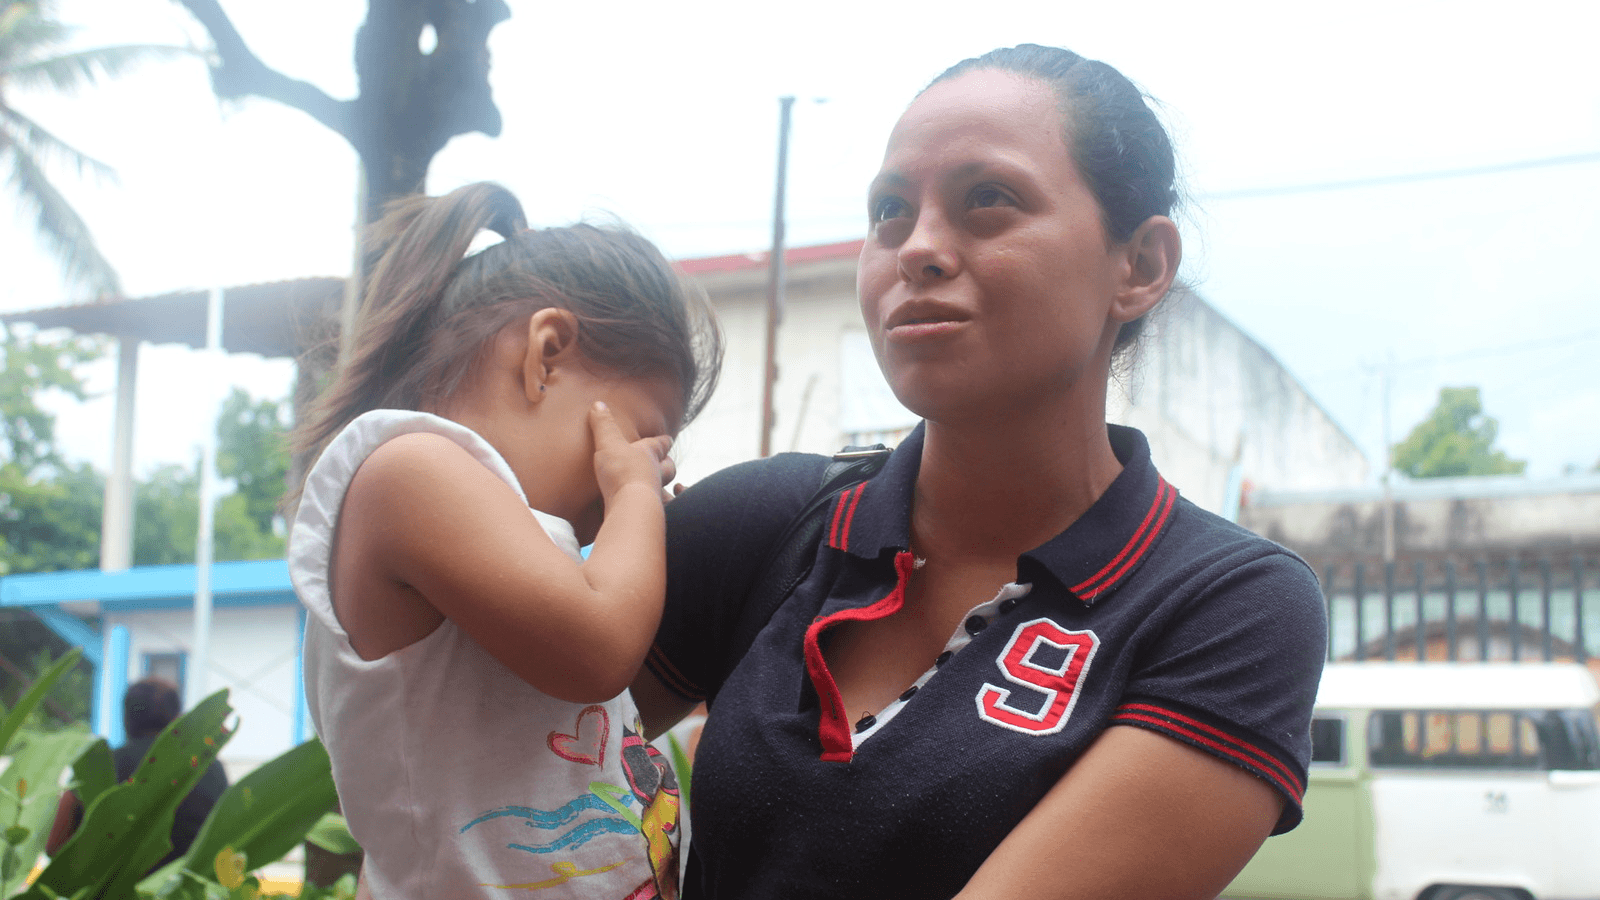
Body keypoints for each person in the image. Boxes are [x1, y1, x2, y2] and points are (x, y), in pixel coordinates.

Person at [631, 45, 1328, 900]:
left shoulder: (1224, 604)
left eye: (987, 199)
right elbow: (478, 746)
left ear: (1139, 266)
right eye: (890, 210)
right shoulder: (768, 521)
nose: (916, 248)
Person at [288, 182, 720, 900]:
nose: (644, 468)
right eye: (643, 436)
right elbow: (598, 650)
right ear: (546, 355)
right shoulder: (412, 469)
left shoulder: (510, 535)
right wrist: (636, 497)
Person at [45, 678, 229, 869]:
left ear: (126, 719)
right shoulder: (209, 769)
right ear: (177, 719)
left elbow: (54, 846)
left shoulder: (97, 767)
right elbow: (227, 838)